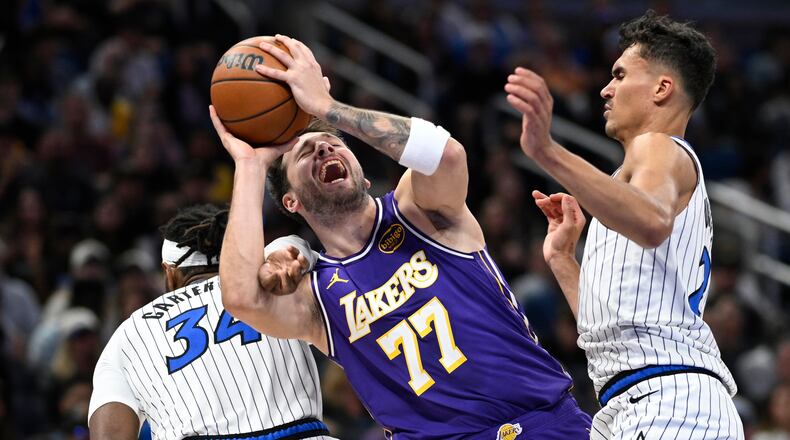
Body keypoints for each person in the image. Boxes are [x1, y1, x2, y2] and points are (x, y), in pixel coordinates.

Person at [212, 34, 591, 440]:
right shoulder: (315, 296)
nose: (323, 150)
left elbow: (446, 155)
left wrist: (327, 108)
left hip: (545, 422)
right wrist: (250, 165)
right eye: (305, 154)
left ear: (364, 171)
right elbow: (240, 298)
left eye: (331, 143)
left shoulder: (417, 209)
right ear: (291, 202)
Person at [505, 10, 744, 439]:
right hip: (637, 401)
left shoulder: (661, 148)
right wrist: (563, 259)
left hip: (671, 401)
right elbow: (607, 332)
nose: (605, 88)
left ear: (661, 88)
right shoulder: (631, 187)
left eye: (619, 74)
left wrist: (546, 150)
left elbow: (652, 221)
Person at [88, 204, 335, 440]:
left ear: (170, 273)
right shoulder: (272, 281)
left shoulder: (130, 333)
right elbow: (302, 250)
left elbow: (110, 434)